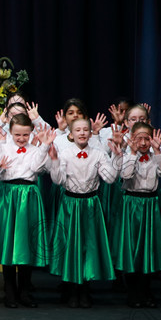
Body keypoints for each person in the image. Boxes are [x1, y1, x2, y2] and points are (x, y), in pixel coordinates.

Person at [47, 118, 122, 308]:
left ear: (90, 133)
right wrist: (54, 161)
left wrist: (117, 157)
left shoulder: (98, 154)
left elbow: (110, 178)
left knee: (89, 245)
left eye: (85, 130)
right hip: (71, 203)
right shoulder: (64, 153)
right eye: (78, 130)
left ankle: (85, 289)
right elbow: (58, 181)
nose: (82, 133)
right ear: (70, 134)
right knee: (71, 245)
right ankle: (71, 289)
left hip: (90, 204)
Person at [0, 113, 55, 308]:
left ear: (31, 132)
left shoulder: (36, 149)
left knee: (27, 243)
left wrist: (43, 147)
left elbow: (37, 169)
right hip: (9, 196)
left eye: (25, 135)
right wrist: (0, 167)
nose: (21, 139)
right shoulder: (2, 146)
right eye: (17, 135)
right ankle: (9, 291)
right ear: (10, 132)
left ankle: (25, 291)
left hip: (29, 197)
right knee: (10, 243)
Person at [116, 121, 161, 307]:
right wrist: (130, 153)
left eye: (147, 138)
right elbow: (127, 175)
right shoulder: (126, 155)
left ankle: (146, 291)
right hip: (132, 204)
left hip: (150, 204)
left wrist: (158, 152)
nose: (144, 142)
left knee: (148, 249)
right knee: (132, 250)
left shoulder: (156, 155)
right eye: (139, 138)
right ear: (132, 139)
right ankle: (133, 293)